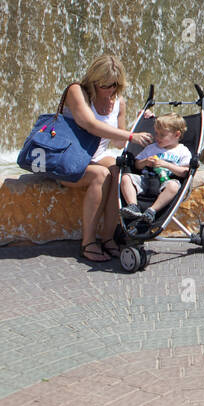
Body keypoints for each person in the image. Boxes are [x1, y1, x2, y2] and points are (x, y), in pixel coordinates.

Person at [58, 54, 152, 262]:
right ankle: (88, 243)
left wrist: (138, 123)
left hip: (97, 156)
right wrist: (129, 135)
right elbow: (89, 124)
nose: (108, 90)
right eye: (103, 85)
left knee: (120, 170)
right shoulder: (77, 92)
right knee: (100, 175)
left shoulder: (119, 102)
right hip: (68, 159)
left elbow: (119, 142)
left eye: (113, 85)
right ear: (93, 81)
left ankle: (108, 238)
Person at [120, 113, 192, 232]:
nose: (157, 137)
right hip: (146, 179)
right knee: (126, 178)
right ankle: (133, 206)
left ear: (177, 134)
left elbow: (184, 172)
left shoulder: (182, 151)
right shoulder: (151, 148)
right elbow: (137, 164)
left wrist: (166, 164)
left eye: (162, 135)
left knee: (174, 186)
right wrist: (145, 162)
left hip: (165, 182)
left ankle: (152, 210)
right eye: (156, 133)